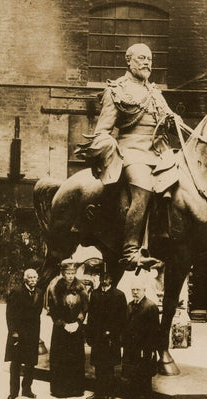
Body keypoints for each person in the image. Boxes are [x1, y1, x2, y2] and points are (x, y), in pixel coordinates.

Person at [84, 43, 178, 271]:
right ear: (129, 61)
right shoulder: (117, 90)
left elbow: (170, 120)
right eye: (141, 58)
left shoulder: (154, 92)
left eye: (150, 59)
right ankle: (130, 251)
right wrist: (109, 149)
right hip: (131, 151)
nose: (147, 63)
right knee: (144, 186)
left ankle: (164, 240)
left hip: (159, 151)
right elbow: (102, 131)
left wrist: (176, 122)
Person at [48, 260, 89, 398]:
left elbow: (85, 308)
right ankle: (60, 389)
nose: (71, 276)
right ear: (63, 273)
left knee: (76, 358)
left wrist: (78, 322)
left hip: (76, 329)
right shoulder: (55, 288)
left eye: (72, 273)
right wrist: (64, 324)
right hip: (61, 330)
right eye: (68, 273)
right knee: (61, 358)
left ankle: (75, 389)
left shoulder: (81, 287)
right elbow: (52, 310)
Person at [85, 272, 127, 399]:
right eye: (102, 278)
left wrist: (113, 332)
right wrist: (90, 334)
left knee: (109, 367)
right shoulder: (95, 294)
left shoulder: (119, 295)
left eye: (107, 279)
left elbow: (122, 318)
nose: (104, 281)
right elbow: (91, 315)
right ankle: (99, 391)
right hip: (97, 336)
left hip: (111, 337)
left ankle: (110, 394)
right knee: (98, 365)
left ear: (111, 280)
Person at [122, 277, 160, 399]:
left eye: (138, 290)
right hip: (131, 348)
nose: (135, 292)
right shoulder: (130, 305)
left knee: (144, 377)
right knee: (132, 374)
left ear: (144, 290)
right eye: (133, 290)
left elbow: (154, 331)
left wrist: (149, 350)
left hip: (145, 349)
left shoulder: (151, 306)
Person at [4, 269, 44, 399]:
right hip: (18, 333)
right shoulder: (17, 291)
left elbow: (37, 314)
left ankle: (27, 389)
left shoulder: (39, 292)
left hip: (32, 333)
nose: (33, 280)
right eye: (30, 277)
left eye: (35, 277)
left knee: (30, 362)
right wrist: (13, 332)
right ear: (25, 279)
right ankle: (13, 392)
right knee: (15, 363)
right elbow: (10, 314)